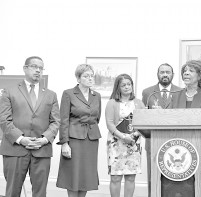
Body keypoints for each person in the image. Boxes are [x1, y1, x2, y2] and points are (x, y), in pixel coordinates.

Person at [0, 56, 60, 197]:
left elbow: (56, 121)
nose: (38, 70)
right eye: (34, 66)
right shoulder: (9, 91)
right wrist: (21, 139)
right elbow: (4, 119)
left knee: (40, 193)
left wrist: (45, 139)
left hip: (42, 149)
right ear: (25, 68)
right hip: (15, 149)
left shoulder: (51, 95)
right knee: (12, 192)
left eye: (41, 68)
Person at [56, 64, 102, 197]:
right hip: (74, 139)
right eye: (86, 76)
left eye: (92, 76)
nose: (90, 79)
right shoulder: (68, 93)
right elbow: (63, 119)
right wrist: (64, 143)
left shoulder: (96, 95)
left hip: (91, 139)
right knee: (73, 174)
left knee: (86, 175)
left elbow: (96, 118)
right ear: (78, 78)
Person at [141, 63, 181, 197]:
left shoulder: (181, 91)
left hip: (175, 141)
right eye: (162, 72)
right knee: (153, 176)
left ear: (172, 75)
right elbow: (143, 116)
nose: (165, 74)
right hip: (153, 140)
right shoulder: (148, 92)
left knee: (173, 176)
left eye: (168, 72)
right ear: (157, 74)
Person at [105, 73, 145, 197]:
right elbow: (110, 124)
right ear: (118, 87)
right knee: (116, 177)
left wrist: (134, 135)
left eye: (129, 84)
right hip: (116, 143)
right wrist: (123, 137)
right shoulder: (112, 103)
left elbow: (144, 122)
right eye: (123, 85)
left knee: (130, 177)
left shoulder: (139, 103)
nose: (127, 87)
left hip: (133, 143)